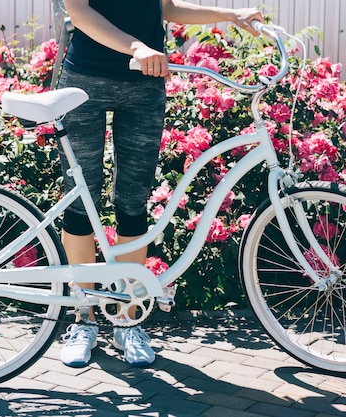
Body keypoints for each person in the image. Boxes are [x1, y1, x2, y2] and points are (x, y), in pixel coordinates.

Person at [58, 0, 264, 367]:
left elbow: (164, 6)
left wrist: (232, 15)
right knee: (80, 204)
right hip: (85, 81)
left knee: (133, 205)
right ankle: (83, 317)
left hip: (144, 85)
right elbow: (79, 11)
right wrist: (137, 46)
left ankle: (127, 316)